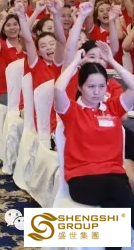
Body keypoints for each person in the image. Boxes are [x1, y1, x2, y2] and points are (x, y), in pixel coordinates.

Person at [53, 41, 134, 228]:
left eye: (101, 86)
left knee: (116, 203)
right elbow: (58, 89)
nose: (97, 92)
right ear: (80, 87)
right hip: (82, 179)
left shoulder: (113, 107)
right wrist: (75, 62)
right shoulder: (72, 111)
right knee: (120, 193)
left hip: (114, 176)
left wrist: (112, 62)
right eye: (91, 87)